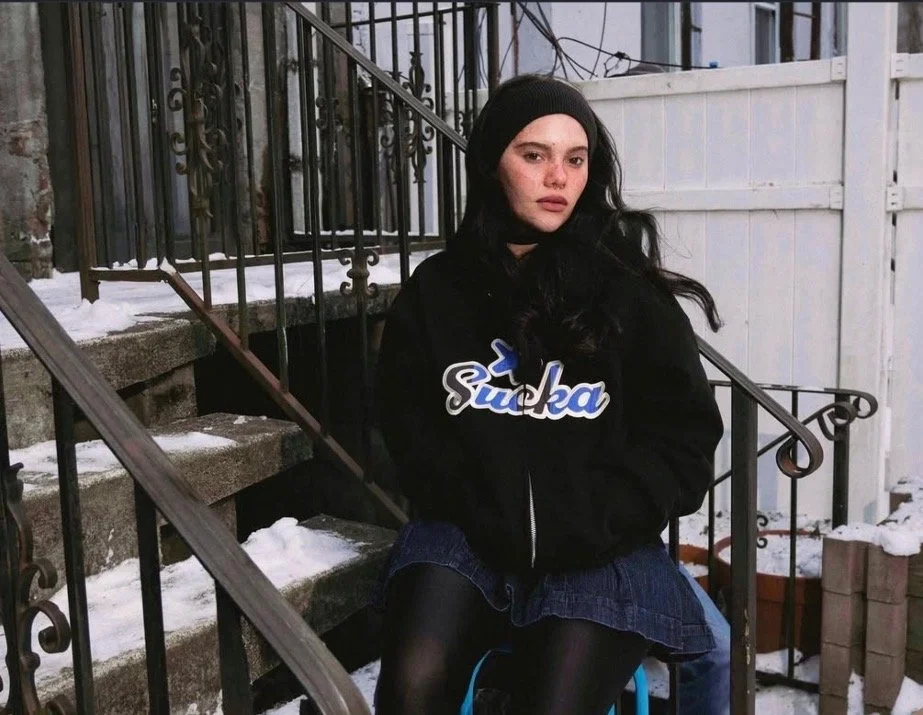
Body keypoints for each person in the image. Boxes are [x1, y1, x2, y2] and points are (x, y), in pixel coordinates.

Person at [370, 74, 728, 714]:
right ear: (492, 163)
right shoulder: (439, 290)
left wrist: (600, 514)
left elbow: (686, 438)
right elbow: (406, 420)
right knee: (411, 684)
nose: (558, 178)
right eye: (534, 155)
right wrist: (473, 499)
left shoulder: (628, 291)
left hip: (601, 548)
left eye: (575, 158)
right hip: (468, 535)